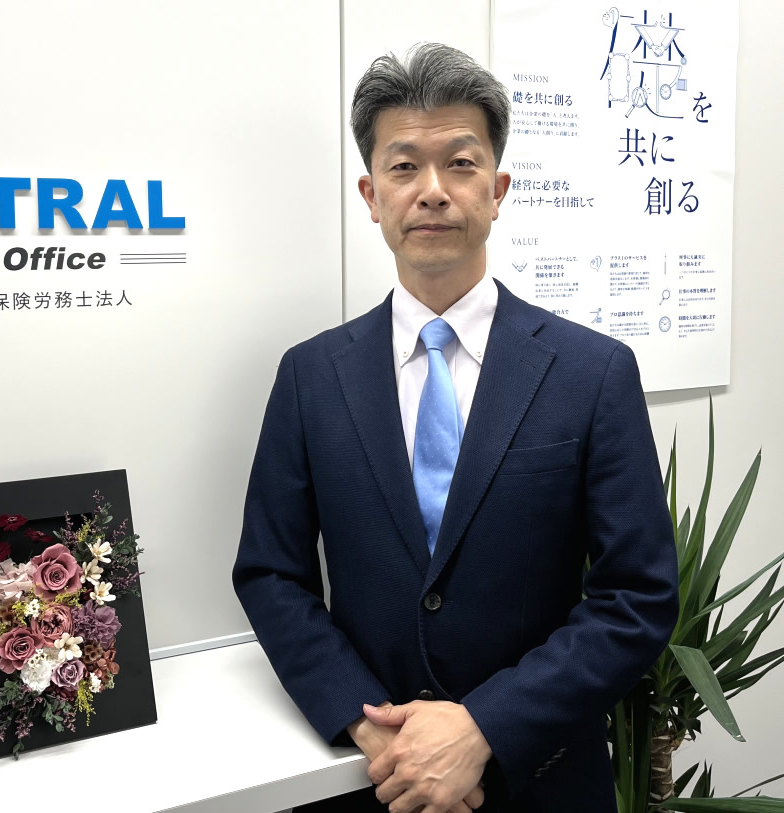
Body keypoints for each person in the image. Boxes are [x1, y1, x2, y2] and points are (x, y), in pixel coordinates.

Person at [232, 43, 679, 813]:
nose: (432, 191)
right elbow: (272, 574)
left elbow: (636, 595)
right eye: (404, 167)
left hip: (541, 779)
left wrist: (483, 727)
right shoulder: (311, 377)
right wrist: (370, 725)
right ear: (372, 195)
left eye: (461, 164)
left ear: (497, 190)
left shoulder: (592, 372)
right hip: (376, 779)